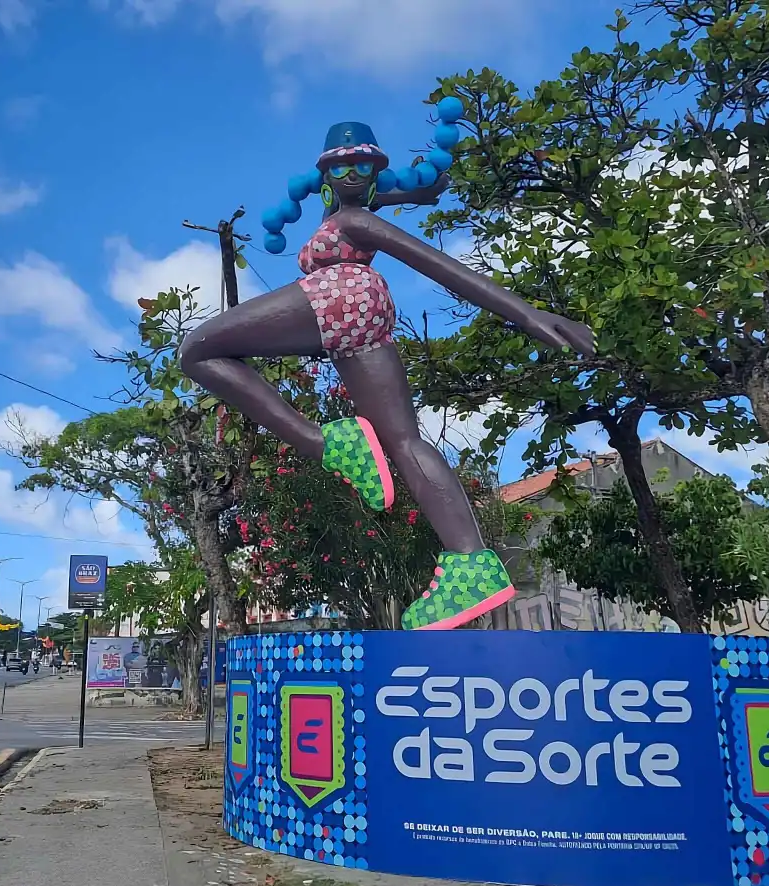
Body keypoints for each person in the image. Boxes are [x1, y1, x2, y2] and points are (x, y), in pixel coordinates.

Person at [178, 100, 596, 631]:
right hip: (365, 320)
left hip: (338, 297)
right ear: (326, 173)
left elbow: (440, 266)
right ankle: (471, 563)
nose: (351, 174)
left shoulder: (355, 219)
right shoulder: (354, 209)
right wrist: (419, 186)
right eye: (340, 166)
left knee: (198, 349)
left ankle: (326, 442)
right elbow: (420, 190)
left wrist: (529, 313)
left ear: (371, 173)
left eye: (362, 166)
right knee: (404, 442)